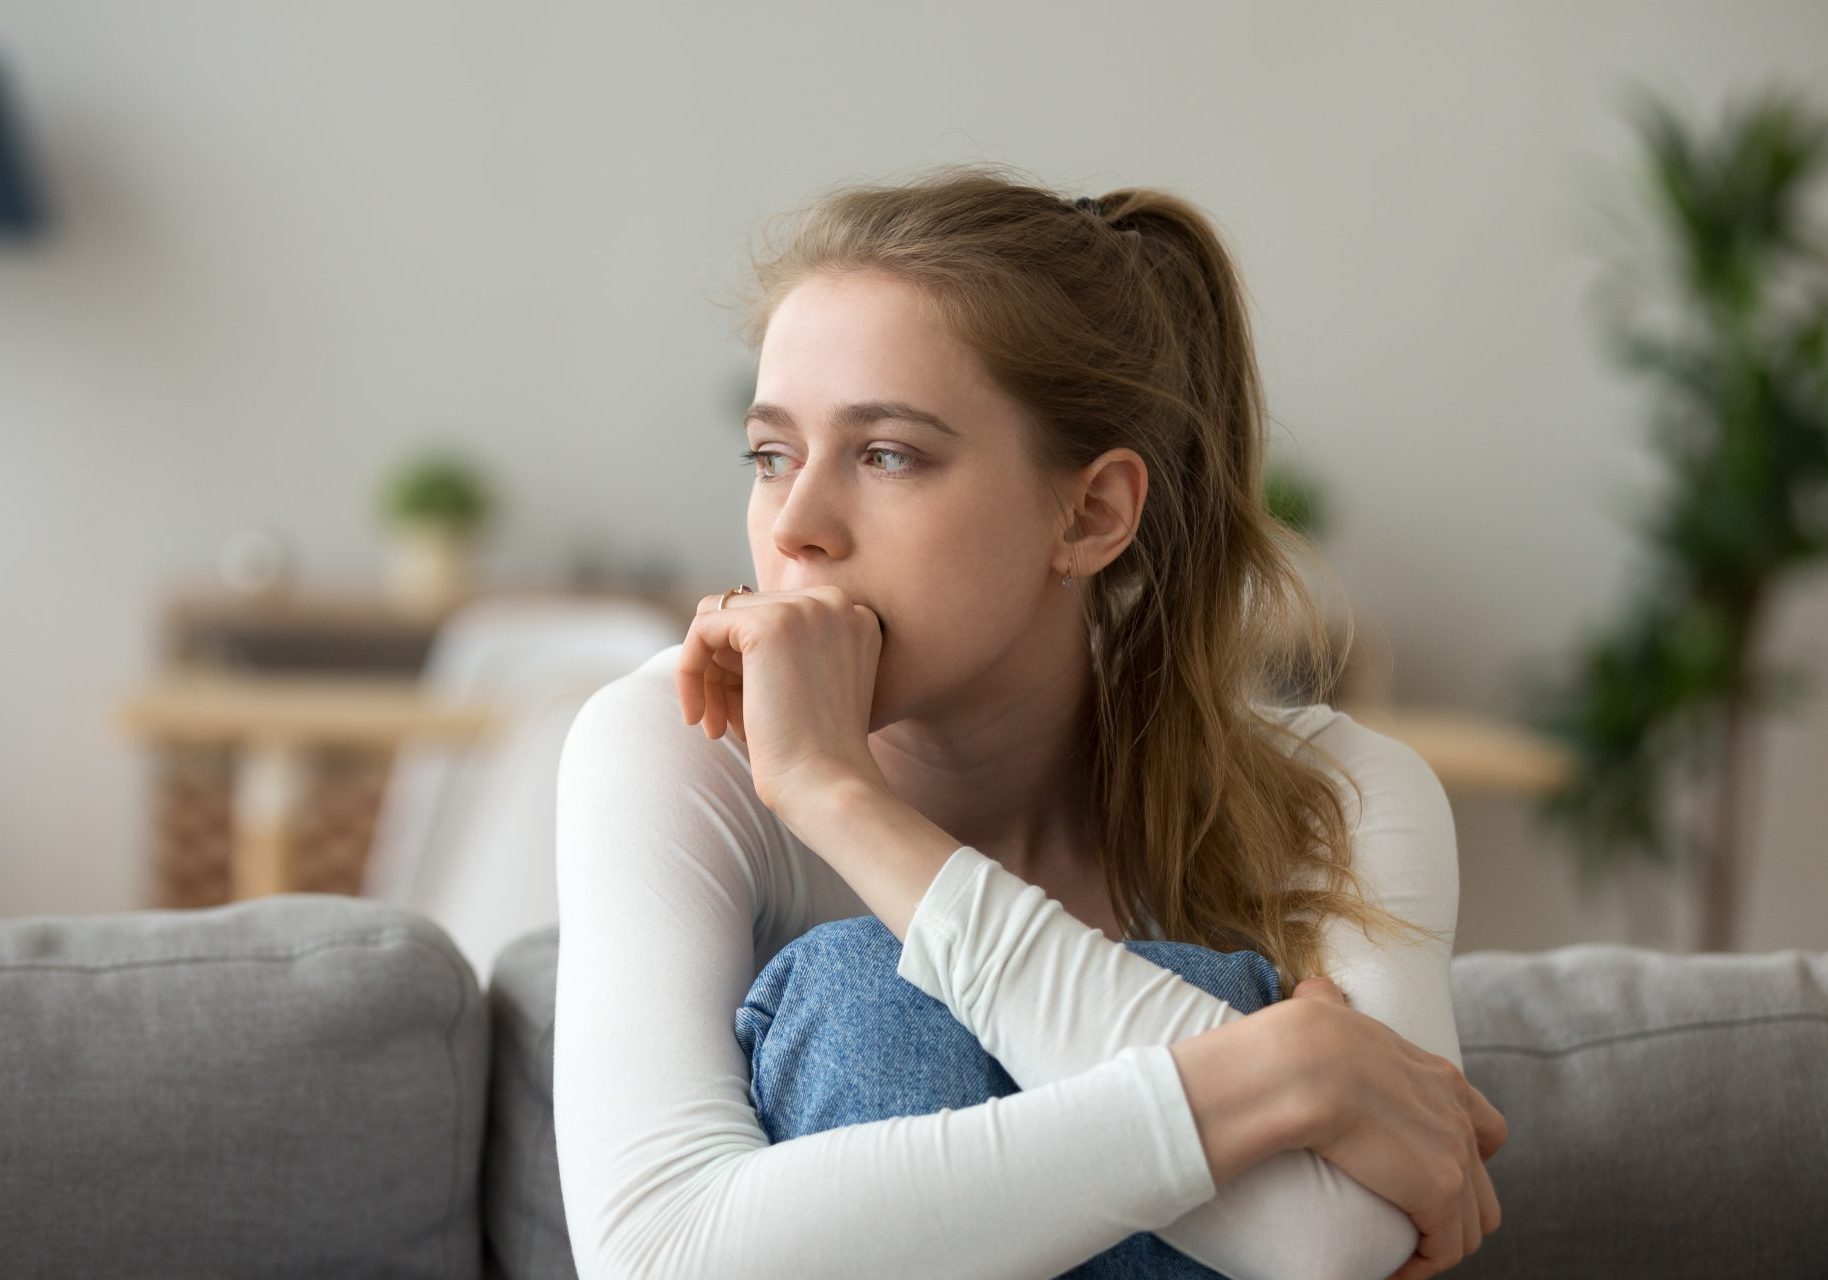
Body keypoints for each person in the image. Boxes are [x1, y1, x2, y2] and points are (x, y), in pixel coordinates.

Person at [553, 162, 1508, 1280]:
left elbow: (1337, 1240)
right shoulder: (674, 745)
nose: (797, 526)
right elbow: (659, 1257)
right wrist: (1269, 1074)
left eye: (886, 453)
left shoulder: (1338, 795)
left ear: (1091, 512)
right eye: (773, 455)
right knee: (866, 994)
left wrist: (854, 811)